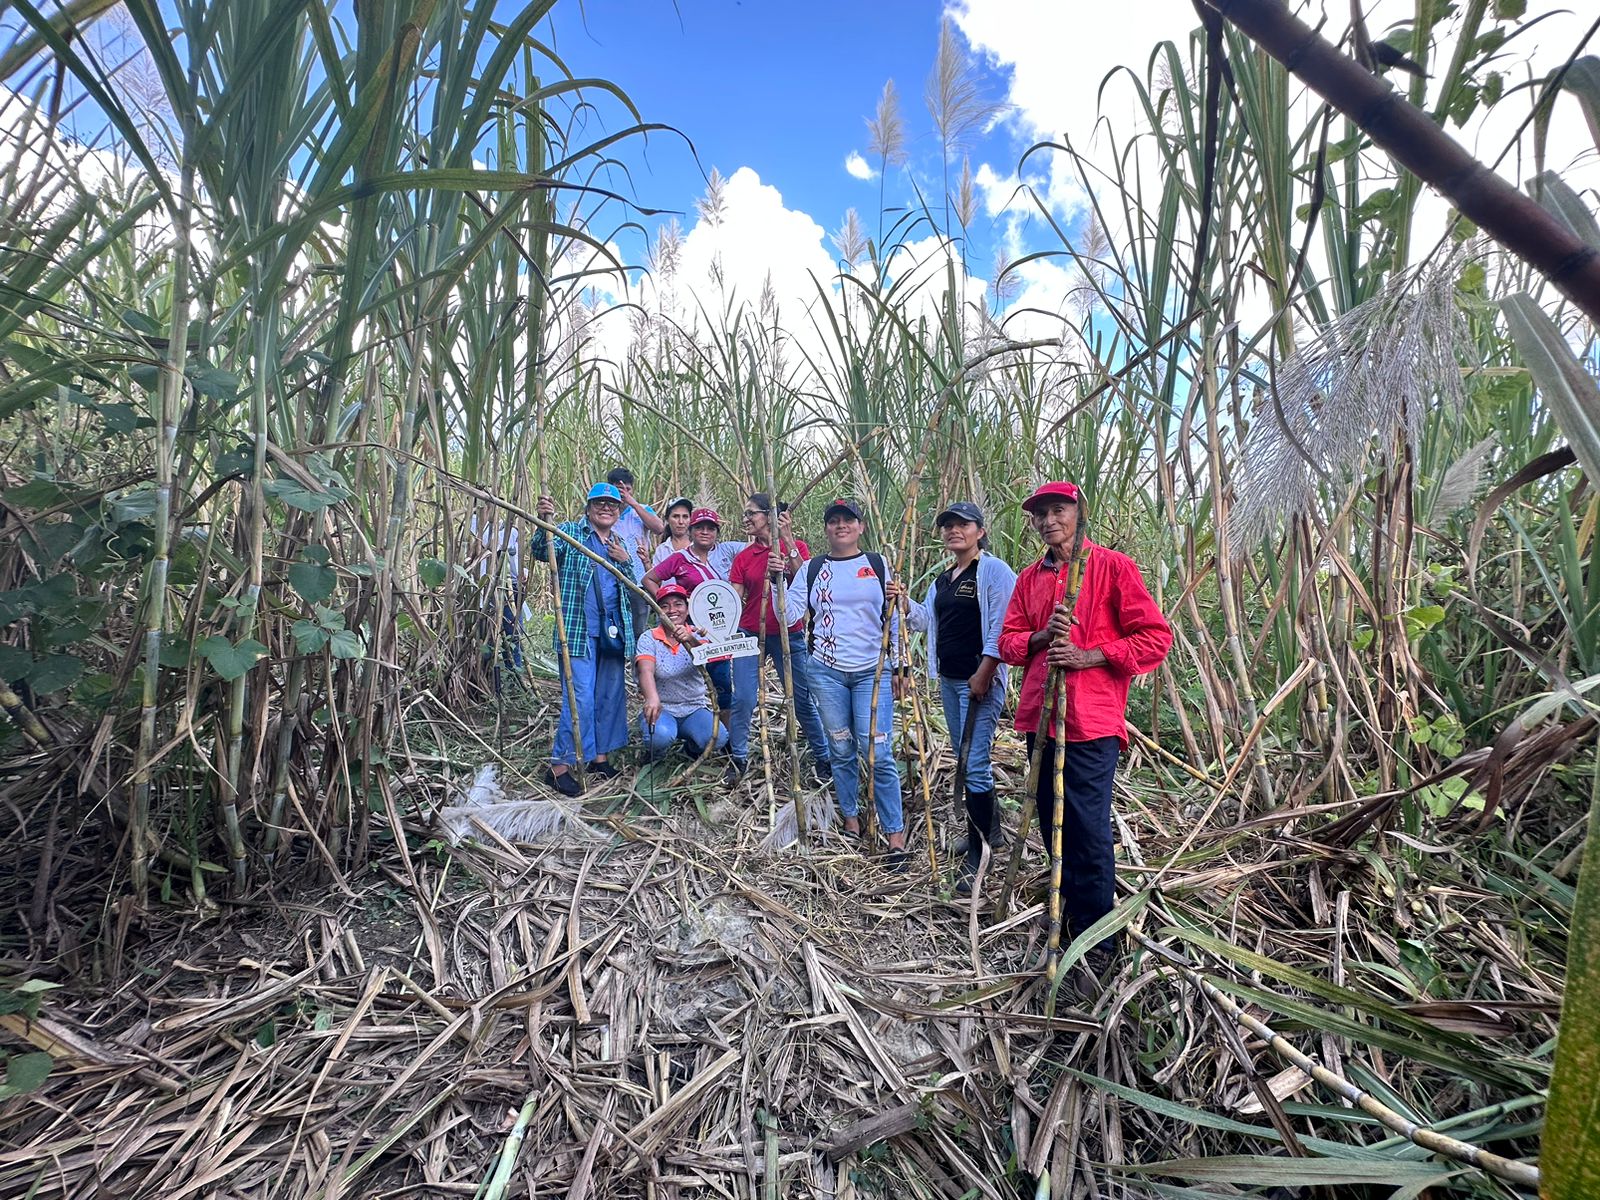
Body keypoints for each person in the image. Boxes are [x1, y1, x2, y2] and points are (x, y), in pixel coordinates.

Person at [997, 481, 1172, 986]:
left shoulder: (1112, 567)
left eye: (1059, 511)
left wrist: (1090, 655)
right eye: (1040, 515)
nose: (1049, 521)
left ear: (1079, 513)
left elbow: (1155, 638)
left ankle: (1097, 937)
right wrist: (1041, 638)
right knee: (1054, 817)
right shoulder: (1031, 577)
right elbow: (1009, 642)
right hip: (1040, 714)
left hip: (1090, 720)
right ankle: (1065, 912)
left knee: (1088, 826)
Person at [893, 501, 1018, 894]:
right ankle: (991, 832)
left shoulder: (993, 571)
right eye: (947, 525)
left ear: (980, 531)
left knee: (974, 762)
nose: (953, 531)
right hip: (949, 679)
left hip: (979, 680)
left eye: (962, 524)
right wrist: (903, 603)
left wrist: (985, 671)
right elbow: (927, 621)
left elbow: (1003, 624)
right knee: (965, 756)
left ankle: (979, 851)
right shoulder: (945, 580)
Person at [785, 499, 908, 871]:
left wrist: (899, 665)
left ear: (860, 526)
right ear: (826, 529)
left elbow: (894, 616)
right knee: (840, 749)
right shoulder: (812, 569)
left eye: (848, 520)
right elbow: (789, 613)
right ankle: (852, 820)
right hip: (826, 672)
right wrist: (779, 578)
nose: (841, 526)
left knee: (880, 754)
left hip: (874, 672)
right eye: (834, 521)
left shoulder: (878, 563)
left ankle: (895, 835)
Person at [532, 482, 645, 796]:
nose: (606, 508)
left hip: (612, 632)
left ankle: (599, 756)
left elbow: (632, 589)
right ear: (589, 507)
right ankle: (559, 767)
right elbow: (543, 550)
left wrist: (625, 561)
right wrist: (545, 522)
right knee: (579, 697)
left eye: (612, 504)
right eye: (600, 503)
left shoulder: (619, 542)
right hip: (578, 632)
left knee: (609, 694)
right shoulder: (571, 532)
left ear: (618, 510)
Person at [726, 493, 832, 786]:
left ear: (770, 516)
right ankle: (738, 758)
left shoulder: (794, 548)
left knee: (801, 698)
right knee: (744, 697)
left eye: (752, 513)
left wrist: (787, 541)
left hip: (790, 633)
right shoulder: (744, 557)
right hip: (750, 633)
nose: (746, 519)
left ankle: (823, 756)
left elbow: (807, 582)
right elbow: (734, 598)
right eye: (745, 514)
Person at [642, 508, 734, 722]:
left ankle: (725, 740)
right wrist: (666, 605)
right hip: (691, 629)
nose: (705, 532)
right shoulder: (680, 559)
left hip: (720, 628)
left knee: (722, 682)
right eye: (699, 528)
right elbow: (649, 579)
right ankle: (692, 727)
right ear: (691, 532)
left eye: (710, 528)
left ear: (716, 532)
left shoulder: (724, 555)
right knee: (695, 677)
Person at [636, 582, 731, 761]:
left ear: (687, 610)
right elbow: (645, 671)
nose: (672, 610)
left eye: (678, 604)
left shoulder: (699, 635)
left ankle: (692, 747)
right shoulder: (649, 638)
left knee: (718, 738)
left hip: (694, 708)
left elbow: (711, 660)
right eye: (665, 605)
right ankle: (656, 752)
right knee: (659, 736)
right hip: (663, 708)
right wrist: (652, 698)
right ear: (658, 611)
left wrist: (691, 641)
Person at [607, 466, 664, 637]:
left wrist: (632, 502)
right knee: (612, 631)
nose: (623, 493)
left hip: (638, 582)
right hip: (610, 580)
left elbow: (659, 528)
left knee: (638, 631)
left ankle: (636, 663)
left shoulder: (641, 509)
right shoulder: (604, 511)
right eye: (618, 489)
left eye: (627, 489)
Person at [651, 497, 695, 567]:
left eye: (685, 517)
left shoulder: (699, 547)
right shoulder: (662, 551)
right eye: (676, 516)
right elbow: (654, 577)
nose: (681, 521)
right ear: (667, 519)